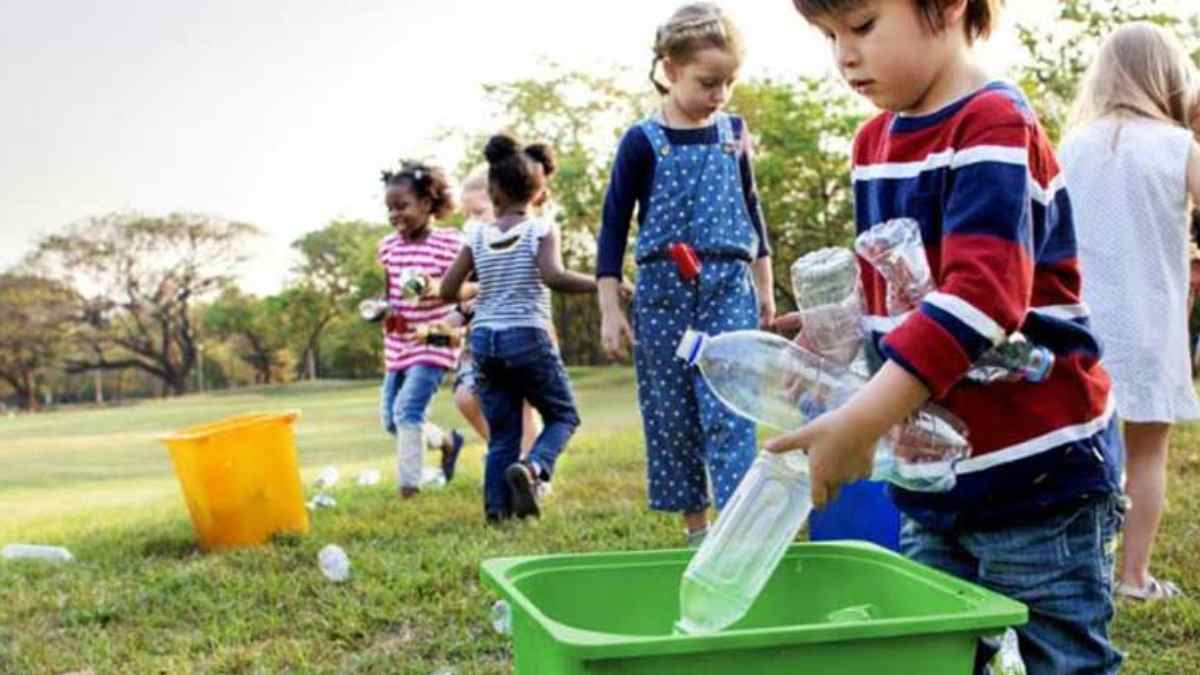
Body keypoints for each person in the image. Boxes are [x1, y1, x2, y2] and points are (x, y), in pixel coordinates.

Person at [772, 1, 1124, 672]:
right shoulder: (873, 145)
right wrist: (841, 329)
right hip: (933, 483)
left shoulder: (993, 125)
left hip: (1036, 477)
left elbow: (980, 299)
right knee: (933, 656)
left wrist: (859, 423)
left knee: (1061, 658)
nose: (844, 54)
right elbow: (903, 286)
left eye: (862, 25)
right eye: (829, 35)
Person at [596, 2, 776, 548]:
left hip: (727, 286)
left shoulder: (733, 133)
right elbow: (612, 226)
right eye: (708, 82)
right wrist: (609, 308)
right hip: (663, 294)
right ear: (671, 70)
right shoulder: (641, 141)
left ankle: (737, 532)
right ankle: (697, 531)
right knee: (672, 412)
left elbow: (752, 210)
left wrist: (764, 288)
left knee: (731, 408)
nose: (720, 94)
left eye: (729, 82)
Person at [1058, 22, 1200, 602]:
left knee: (1075, 449)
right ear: (1169, 79)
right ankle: (1133, 578)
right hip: (1150, 323)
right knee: (1147, 451)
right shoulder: (1179, 146)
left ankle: (1076, 568)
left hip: (1076, 323)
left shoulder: (1070, 146)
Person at [440, 135, 599, 521]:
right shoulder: (540, 230)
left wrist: (476, 294)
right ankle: (533, 468)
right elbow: (554, 276)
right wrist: (602, 282)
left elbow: (447, 290)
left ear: (493, 191)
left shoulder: (477, 236)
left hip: (485, 342)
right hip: (527, 336)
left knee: (503, 433)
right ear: (538, 192)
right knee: (563, 416)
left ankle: (497, 512)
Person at [377, 160, 470, 498]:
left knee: (408, 411)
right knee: (392, 420)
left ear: (428, 203)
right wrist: (383, 309)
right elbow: (390, 292)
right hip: (399, 342)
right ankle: (446, 442)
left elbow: (470, 289)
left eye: (402, 206)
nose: (395, 215)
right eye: (390, 208)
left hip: (437, 338)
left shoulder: (451, 243)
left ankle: (409, 488)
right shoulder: (388, 247)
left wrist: (438, 289)